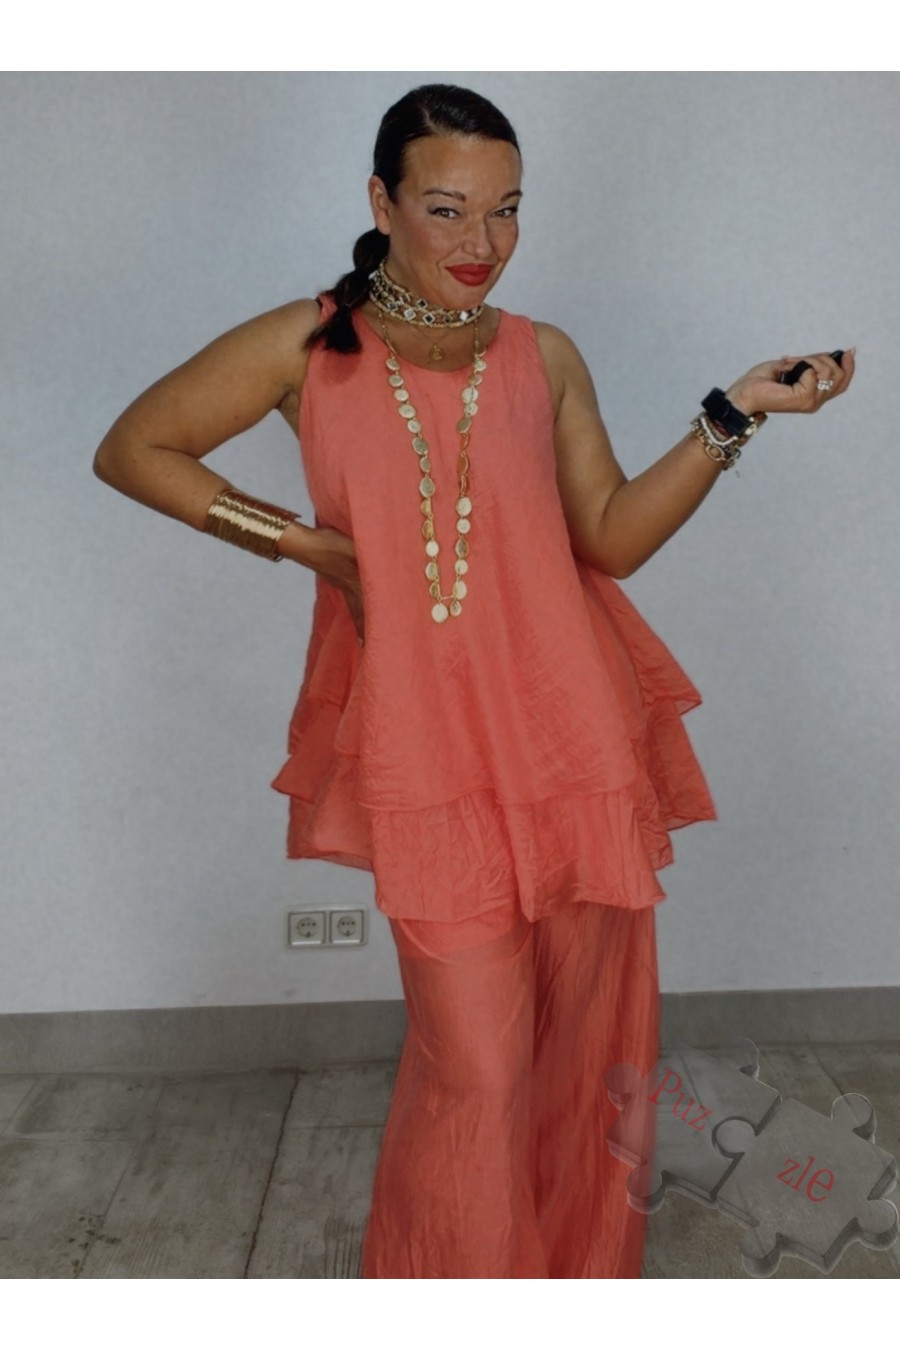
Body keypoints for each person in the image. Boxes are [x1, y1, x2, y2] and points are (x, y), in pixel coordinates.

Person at [93, 82, 854, 1279]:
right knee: (478, 1068)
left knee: (581, 1056)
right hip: (425, 747)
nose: (481, 244)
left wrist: (735, 411)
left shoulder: (543, 355)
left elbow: (610, 539)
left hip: (570, 737)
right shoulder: (307, 345)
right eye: (447, 209)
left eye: (506, 211)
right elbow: (134, 447)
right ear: (381, 201)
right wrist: (307, 545)